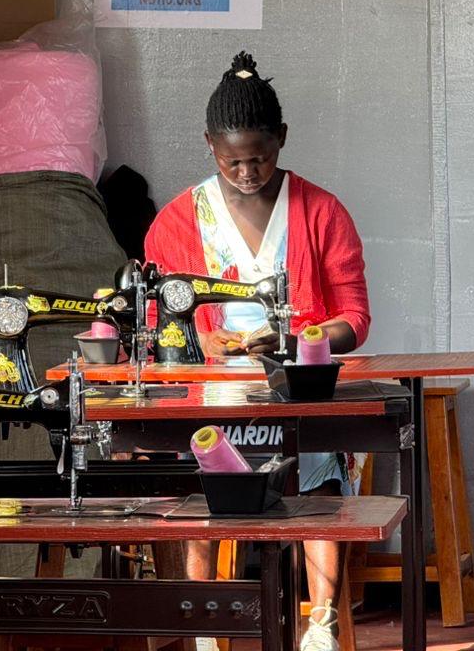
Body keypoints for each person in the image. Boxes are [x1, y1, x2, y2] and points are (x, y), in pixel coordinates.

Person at [143, 51, 370, 651]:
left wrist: (299, 341)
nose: (247, 171)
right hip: (210, 390)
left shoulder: (321, 212)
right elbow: (156, 319)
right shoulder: (177, 221)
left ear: (282, 139)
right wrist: (197, 339)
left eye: (260, 158)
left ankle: (320, 623)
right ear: (209, 146)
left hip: (296, 388)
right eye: (232, 160)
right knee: (196, 485)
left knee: (317, 476)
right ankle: (201, 630)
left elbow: (355, 318)